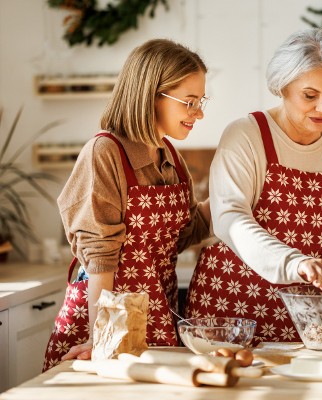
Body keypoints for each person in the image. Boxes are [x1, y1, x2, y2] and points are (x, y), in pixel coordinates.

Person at [184, 28, 322, 343]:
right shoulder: (246, 135)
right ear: (282, 86)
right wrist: (296, 263)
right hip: (232, 313)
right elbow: (230, 218)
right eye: (309, 95)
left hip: (312, 324)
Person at [43, 39, 212, 371]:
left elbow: (182, 234)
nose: (199, 113)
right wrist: (99, 335)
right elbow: (100, 256)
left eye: (201, 101)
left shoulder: (171, 157)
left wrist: (231, 197)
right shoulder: (105, 152)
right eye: (189, 102)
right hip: (106, 314)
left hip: (155, 312)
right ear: (151, 96)